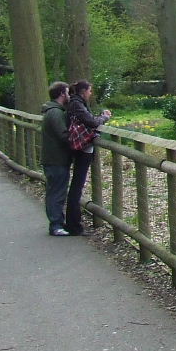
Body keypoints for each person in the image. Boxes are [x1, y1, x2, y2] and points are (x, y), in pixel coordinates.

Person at [64, 79, 112, 236]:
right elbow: (91, 121)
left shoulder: (75, 103)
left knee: (77, 185)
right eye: (90, 91)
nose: (91, 94)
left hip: (80, 148)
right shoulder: (77, 104)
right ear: (84, 91)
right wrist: (104, 117)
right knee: (77, 186)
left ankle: (73, 223)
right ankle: (74, 225)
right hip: (82, 149)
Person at [41, 81, 72, 236]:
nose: (69, 95)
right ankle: (56, 225)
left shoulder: (54, 111)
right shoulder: (55, 113)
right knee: (56, 192)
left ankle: (57, 222)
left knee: (56, 191)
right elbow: (63, 135)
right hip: (56, 159)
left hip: (54, 158)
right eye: (67, 92)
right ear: (61, 94)